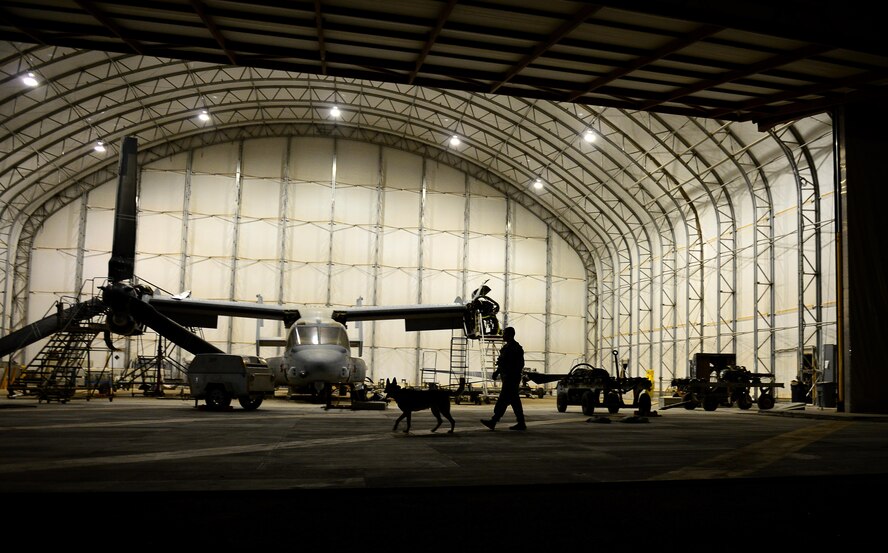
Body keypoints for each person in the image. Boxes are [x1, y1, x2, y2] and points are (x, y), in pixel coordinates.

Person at [481, 326, 527, 431]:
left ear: (510, 335)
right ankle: (521, 422)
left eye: (504, 334)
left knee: (503, 400)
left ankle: (494, 421)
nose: (503, 336)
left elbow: (520, 364)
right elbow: (501, 362)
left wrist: (510, 374)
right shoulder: (506, 348)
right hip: (507, 378)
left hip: (511, 379)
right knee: (514, 401)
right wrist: (497, 372)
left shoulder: (516, 348)